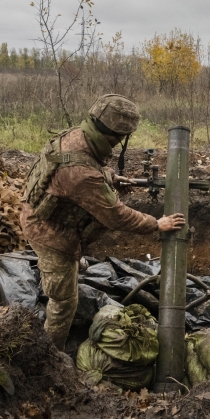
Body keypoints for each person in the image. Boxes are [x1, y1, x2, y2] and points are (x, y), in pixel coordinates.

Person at [20, 94, 185, 351]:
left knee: (73, 269)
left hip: (49, 216)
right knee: (64, 303)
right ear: (116, 136)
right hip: (49, 234)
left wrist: (110, 177)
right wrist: (156, 223)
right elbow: (116, 215)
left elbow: (84, 169)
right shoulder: (82, 176)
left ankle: (69, 268)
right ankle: (49, 358)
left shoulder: (79, 135)